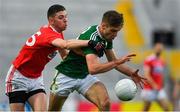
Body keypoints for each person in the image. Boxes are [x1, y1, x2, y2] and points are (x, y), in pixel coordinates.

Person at [5, 4, 104, 111]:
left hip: (36, 79)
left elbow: (65, 55)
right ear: (51, 21)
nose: (65, 20)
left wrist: (86, 56)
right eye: (61, 18)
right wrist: (89, 43)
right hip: (19, 77)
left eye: (66, 16)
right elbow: (65, 44)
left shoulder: (57, 33)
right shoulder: (48, 34)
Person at [49, 10, 146, 111]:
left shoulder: (106, 37)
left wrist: (131, 73)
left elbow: (114, 63)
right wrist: (116, 62)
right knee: (53, 110)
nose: (115, 35)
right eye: (113, 30)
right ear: (103, 26)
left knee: (105, 103)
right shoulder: (93, 38)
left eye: (117, 31)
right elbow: (94, 69)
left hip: (84, 76)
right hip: (66, 75)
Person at [141, 42, 170, 111]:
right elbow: (146, 75)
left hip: (158, 89)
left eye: (161, 48)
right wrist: (154, 85)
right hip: (149, 89)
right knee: (145, 109)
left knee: (166, 108)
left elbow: (160, 74)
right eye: (158, 48)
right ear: (154, 48)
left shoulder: (162, 61)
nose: (159, 49)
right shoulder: (149, 60)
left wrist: (162, 84)